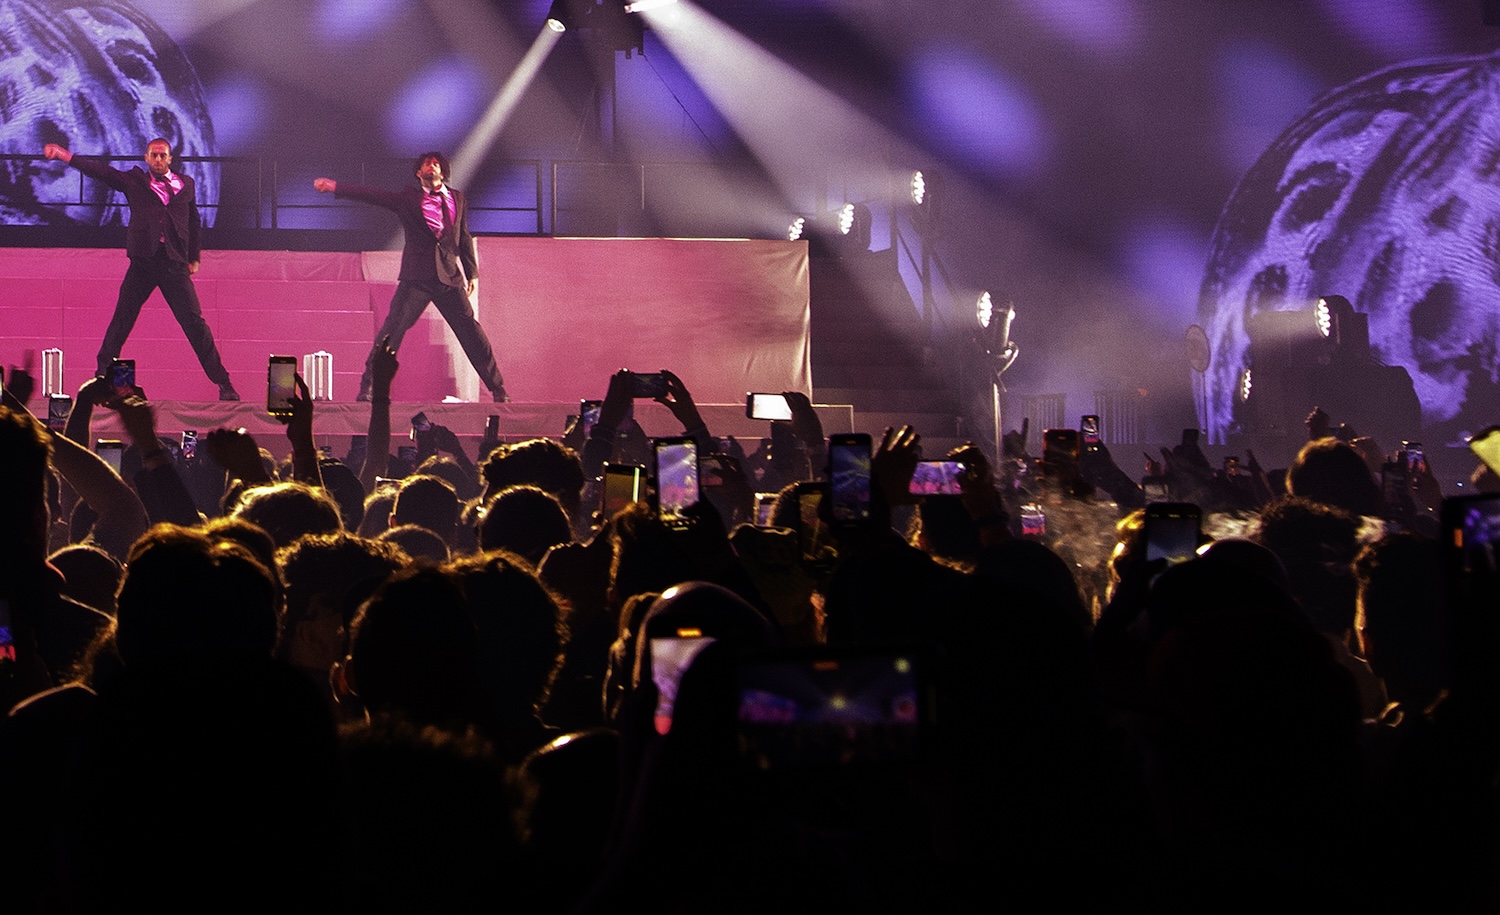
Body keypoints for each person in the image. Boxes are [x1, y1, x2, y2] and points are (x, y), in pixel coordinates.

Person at [42, 139, 241, 401]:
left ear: (170, 159)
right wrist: (67, 157)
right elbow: (103, 172)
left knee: (194, 324)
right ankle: (102, 376)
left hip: (174, 264)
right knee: (123, 317)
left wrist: (194, 257)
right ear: (147, 158)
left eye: (163, 156)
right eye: (154, 155)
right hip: (144, 263)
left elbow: (193, 221)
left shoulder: (187, 184)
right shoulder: (135, 182)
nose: (158, 160)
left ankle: (223, 382)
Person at [313, 152, 508, 403]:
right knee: (391, 332)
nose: (432, 165)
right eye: (427, 163)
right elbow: (375, 196)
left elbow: (464, 235)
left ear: (443, 171)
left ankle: (497, 388)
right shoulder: (408, 199)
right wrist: (336, 187)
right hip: (417, 277)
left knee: (471, 333)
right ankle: (368, 387)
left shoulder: (457, 198)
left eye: (436, 163)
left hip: (449, 278)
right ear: (419, 173)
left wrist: (472, 272)